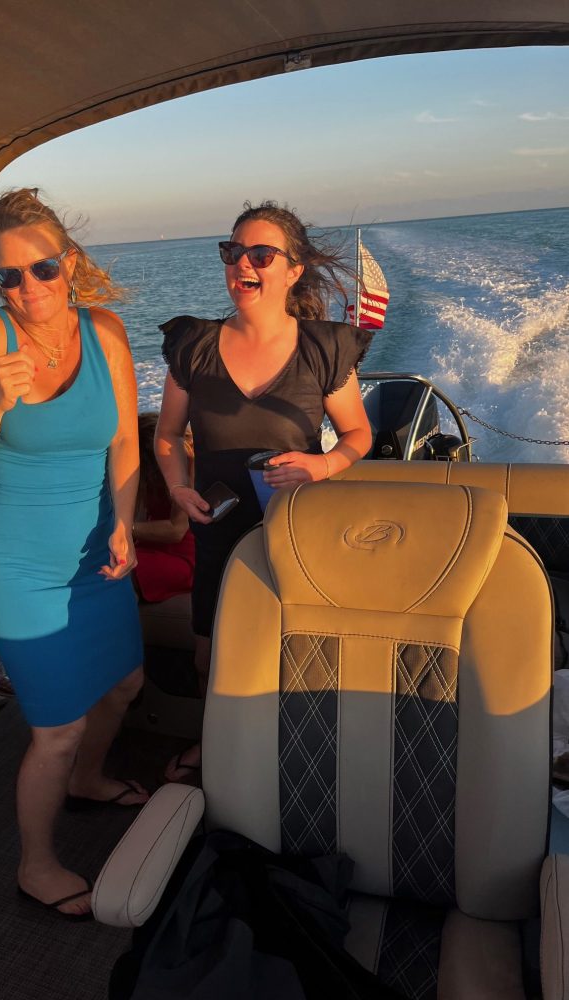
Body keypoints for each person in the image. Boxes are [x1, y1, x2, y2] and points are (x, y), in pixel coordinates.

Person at [0, 187, 146, 920]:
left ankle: (89, 779)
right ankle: (36, 863)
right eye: (9, 275)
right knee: (56, 731)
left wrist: (125, 522)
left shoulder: (106, 332)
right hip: (21, 565)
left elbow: (126, 439)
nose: (28, 288)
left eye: (43, 269)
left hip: (97, 551)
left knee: (124, 684)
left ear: (70, 263)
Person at [155, 201, 373, 782]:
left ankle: (287, 753)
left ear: (293, 270)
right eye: (233, 252)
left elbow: (358, 434)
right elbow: (168, 435)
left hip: (294, 524)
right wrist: (178, 488)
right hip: (217, 524)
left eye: (260, 253)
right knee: (209, 650)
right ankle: (214, 745)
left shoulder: (324, 348)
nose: (242, 264)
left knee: (290, 645)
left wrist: (322, 466)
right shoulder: (193, 344)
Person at [133, 411, 195, 603]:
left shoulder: (189, 467)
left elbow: (176, 530)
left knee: (119, 565)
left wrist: (120, 529)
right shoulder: (149, 478)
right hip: (153, 548)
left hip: (185, 558)